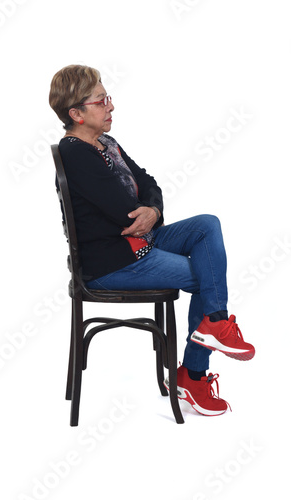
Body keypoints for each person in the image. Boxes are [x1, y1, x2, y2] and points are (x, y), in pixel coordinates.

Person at [49, 64, 255, 417]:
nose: (110, 106)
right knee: (207, 275)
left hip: (143, 242)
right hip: (113, 263)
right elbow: (123, 209)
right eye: (101, 100)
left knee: (207, 225)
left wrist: (154, 211)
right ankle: (193, 373)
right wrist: (142, 210)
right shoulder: (74, 152)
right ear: (76, 113)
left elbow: (148, 182)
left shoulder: (106, 143)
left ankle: (215, 323)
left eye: (107, 97)